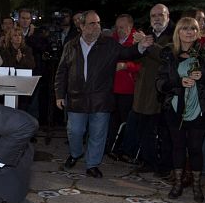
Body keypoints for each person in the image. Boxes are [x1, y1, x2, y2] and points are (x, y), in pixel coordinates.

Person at [54, 10, 152, 178]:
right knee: (74, 131)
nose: (97, 26)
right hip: (76, 98)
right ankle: (76, 153)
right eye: (92, 23)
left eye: (98, 23)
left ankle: (92, 164)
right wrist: (59, 94)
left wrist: (141, 46)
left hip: (101, 98)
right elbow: (61, 71)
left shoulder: (109, 44)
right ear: (81, 26)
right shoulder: (71, 45)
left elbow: (127, 53)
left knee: (98, 134)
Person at [156, 17, 205, 201]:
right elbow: (160, 83)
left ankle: (197, 186)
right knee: (178, 147)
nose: (189, 32)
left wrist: (203, 76)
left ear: (198, 32)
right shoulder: (168, 53)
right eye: (185, 28)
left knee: (196, 148)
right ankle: (178, 184)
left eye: (193, 29)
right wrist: (178, 82)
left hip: (200, 108)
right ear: (178, 32)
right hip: (175, 108)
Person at [124, 5, 173, 172]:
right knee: (145, 129)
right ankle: (148, 162)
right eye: (153, 16)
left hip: (163, 92)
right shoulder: (148, 35)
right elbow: (134, 58)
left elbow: (167, 56)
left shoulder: (174, 35)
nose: (157, 18)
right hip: (144, 90)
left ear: (168, 16)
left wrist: (147, 44)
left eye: (160, 15)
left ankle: (165, 167)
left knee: (165, 132)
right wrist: (139, 46)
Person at [107, 14, 141, 159]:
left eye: (122, 27)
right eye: (117, 27)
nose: (119, 30)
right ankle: (111, 147)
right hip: (112, 88)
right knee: (113, 120)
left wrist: (127, 66)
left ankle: (125, 149)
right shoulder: (112, 40)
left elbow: (143, 65)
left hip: (128, 89)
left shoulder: (137, 40)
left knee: (126, 121)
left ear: (130, 26)